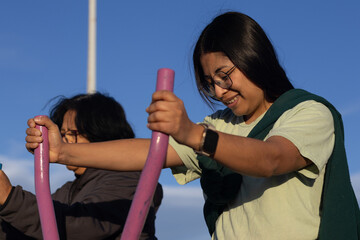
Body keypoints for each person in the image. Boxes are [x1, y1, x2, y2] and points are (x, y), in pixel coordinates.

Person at [25, 12, 359, 240]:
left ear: (253, 57)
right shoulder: (220, 126)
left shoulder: (307, 112)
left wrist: (195, 134)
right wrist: (61, 150)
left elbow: (272, 159)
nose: (218, 92)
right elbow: (149, 152)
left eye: (225, 76)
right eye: (210, 82)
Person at [1, 93, 163, 240]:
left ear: (102, 131)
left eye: (71, 133)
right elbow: (27, 230)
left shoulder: (129, 180)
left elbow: (81, 228)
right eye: (62, 134)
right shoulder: (69, 190)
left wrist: (9, 198)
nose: (63, 141)